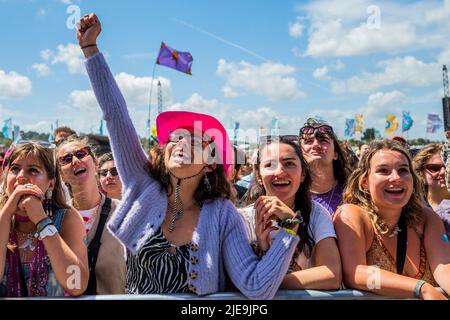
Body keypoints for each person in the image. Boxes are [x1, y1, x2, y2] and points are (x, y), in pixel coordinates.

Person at [77, 13, 299, 299]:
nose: (181, 143)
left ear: (210, 163)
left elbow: (256, 286)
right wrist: (90, 50)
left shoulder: (223, 214)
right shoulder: (140, 182)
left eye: (193, 140)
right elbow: (115, 115)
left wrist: (290, 229)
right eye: (175, 138)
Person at [334, 139, 450, 299]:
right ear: (365, 182)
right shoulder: (351, 215)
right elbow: (355, 273)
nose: (396, 178)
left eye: (403, 170)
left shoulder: (427, 218)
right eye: (383, 170)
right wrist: (421, 288)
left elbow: (444, 268)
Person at [240, 136, 342, 290]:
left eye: (289, 164)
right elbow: (238, 280)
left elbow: (332, 275)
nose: (280, 172)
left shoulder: (316, 214)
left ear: (302, 174)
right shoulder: (243, 219)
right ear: (258, 175)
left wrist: (263, 281)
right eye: (270, 165)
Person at [0, 141, 88, 297]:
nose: (21, 177)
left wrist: (42, 221)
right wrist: (6, 215)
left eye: (33, 170)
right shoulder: (2, 217)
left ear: (51, 184)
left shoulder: (67, 218)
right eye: (15, 169)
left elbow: (76, 284)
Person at [57, 136, 126, 294]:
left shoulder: (123, 213)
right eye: (66, 159)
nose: (75, 160)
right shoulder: (57, 218)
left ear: (95, 164)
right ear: (61, 175)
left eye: (81, 154)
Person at [299, 118, 351, 215]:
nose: (315, 145)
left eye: (323, 140)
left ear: (335, 154)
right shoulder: (292, 193)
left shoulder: (352, 192)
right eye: (308, 141)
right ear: (299, 153)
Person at [412, 144, 450, 210]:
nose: (443, 172)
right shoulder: (413, 209)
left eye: (448, 167)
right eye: (434, 168)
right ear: (421, 172)